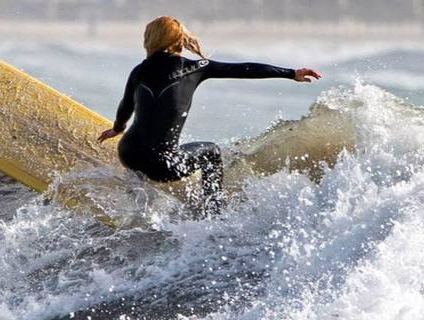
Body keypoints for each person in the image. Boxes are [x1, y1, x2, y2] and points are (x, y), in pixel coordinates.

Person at [98, 16, 321, 215]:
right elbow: (242, 69)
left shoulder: (138, 71)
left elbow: (126, 106)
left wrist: (117, 129)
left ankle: (136, 199)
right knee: (212, 152)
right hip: (162, 166)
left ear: (150, 39)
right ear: (178, 40)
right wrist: (291, 73)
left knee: (144, 159)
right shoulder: (195, 67)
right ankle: (213, 212)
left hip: (128, 153)